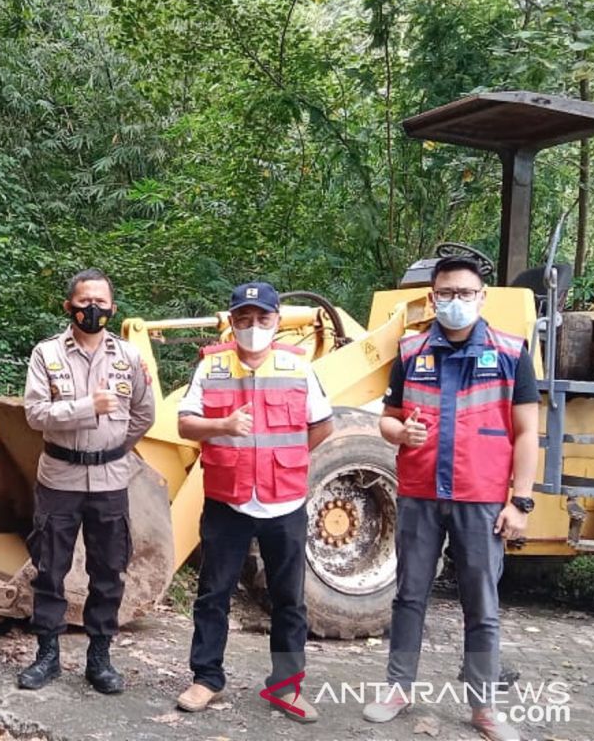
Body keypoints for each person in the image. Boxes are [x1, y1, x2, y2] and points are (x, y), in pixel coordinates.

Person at [361, 257, 537, 741]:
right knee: (409, 596)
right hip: (419, 494)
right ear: (433, 297)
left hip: (480, 500)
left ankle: (483, 707)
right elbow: (387, 419)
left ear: (482, 298)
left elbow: (526, 434)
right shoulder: (412, 350)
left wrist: (520, 502)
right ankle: (397, 688)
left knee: (482, 605)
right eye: (445, 294)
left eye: (464, 293)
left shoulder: (509, 352)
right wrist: (403, 432)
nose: (454, 302)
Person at [173, 281, 332, 722]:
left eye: (262, 318)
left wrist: (289, 458)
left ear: (277, 321)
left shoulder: (298, 366)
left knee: (289, 599)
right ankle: (206, 679)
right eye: (244, 319)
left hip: (284, 501)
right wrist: (222, 424)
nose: (253, 326)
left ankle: (285, 687)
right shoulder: (211, 366)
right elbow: (186, 425)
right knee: (213, 594)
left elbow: (323, 425)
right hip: (228, 499)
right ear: (232, 323)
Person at [17, 268, 156, 694]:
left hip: (111, 479)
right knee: (50, 570)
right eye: (83, 302)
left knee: (108, 571)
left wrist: (110, 447)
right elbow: (35, 414)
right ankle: (48, 655)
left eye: (100, 302)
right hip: (59, 477)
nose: (91, 309)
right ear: (69, 306)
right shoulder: (47, 354)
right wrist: (86, 408)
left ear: (113, 308)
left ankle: (99, 657)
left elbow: (144, 414)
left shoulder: (129, 357)